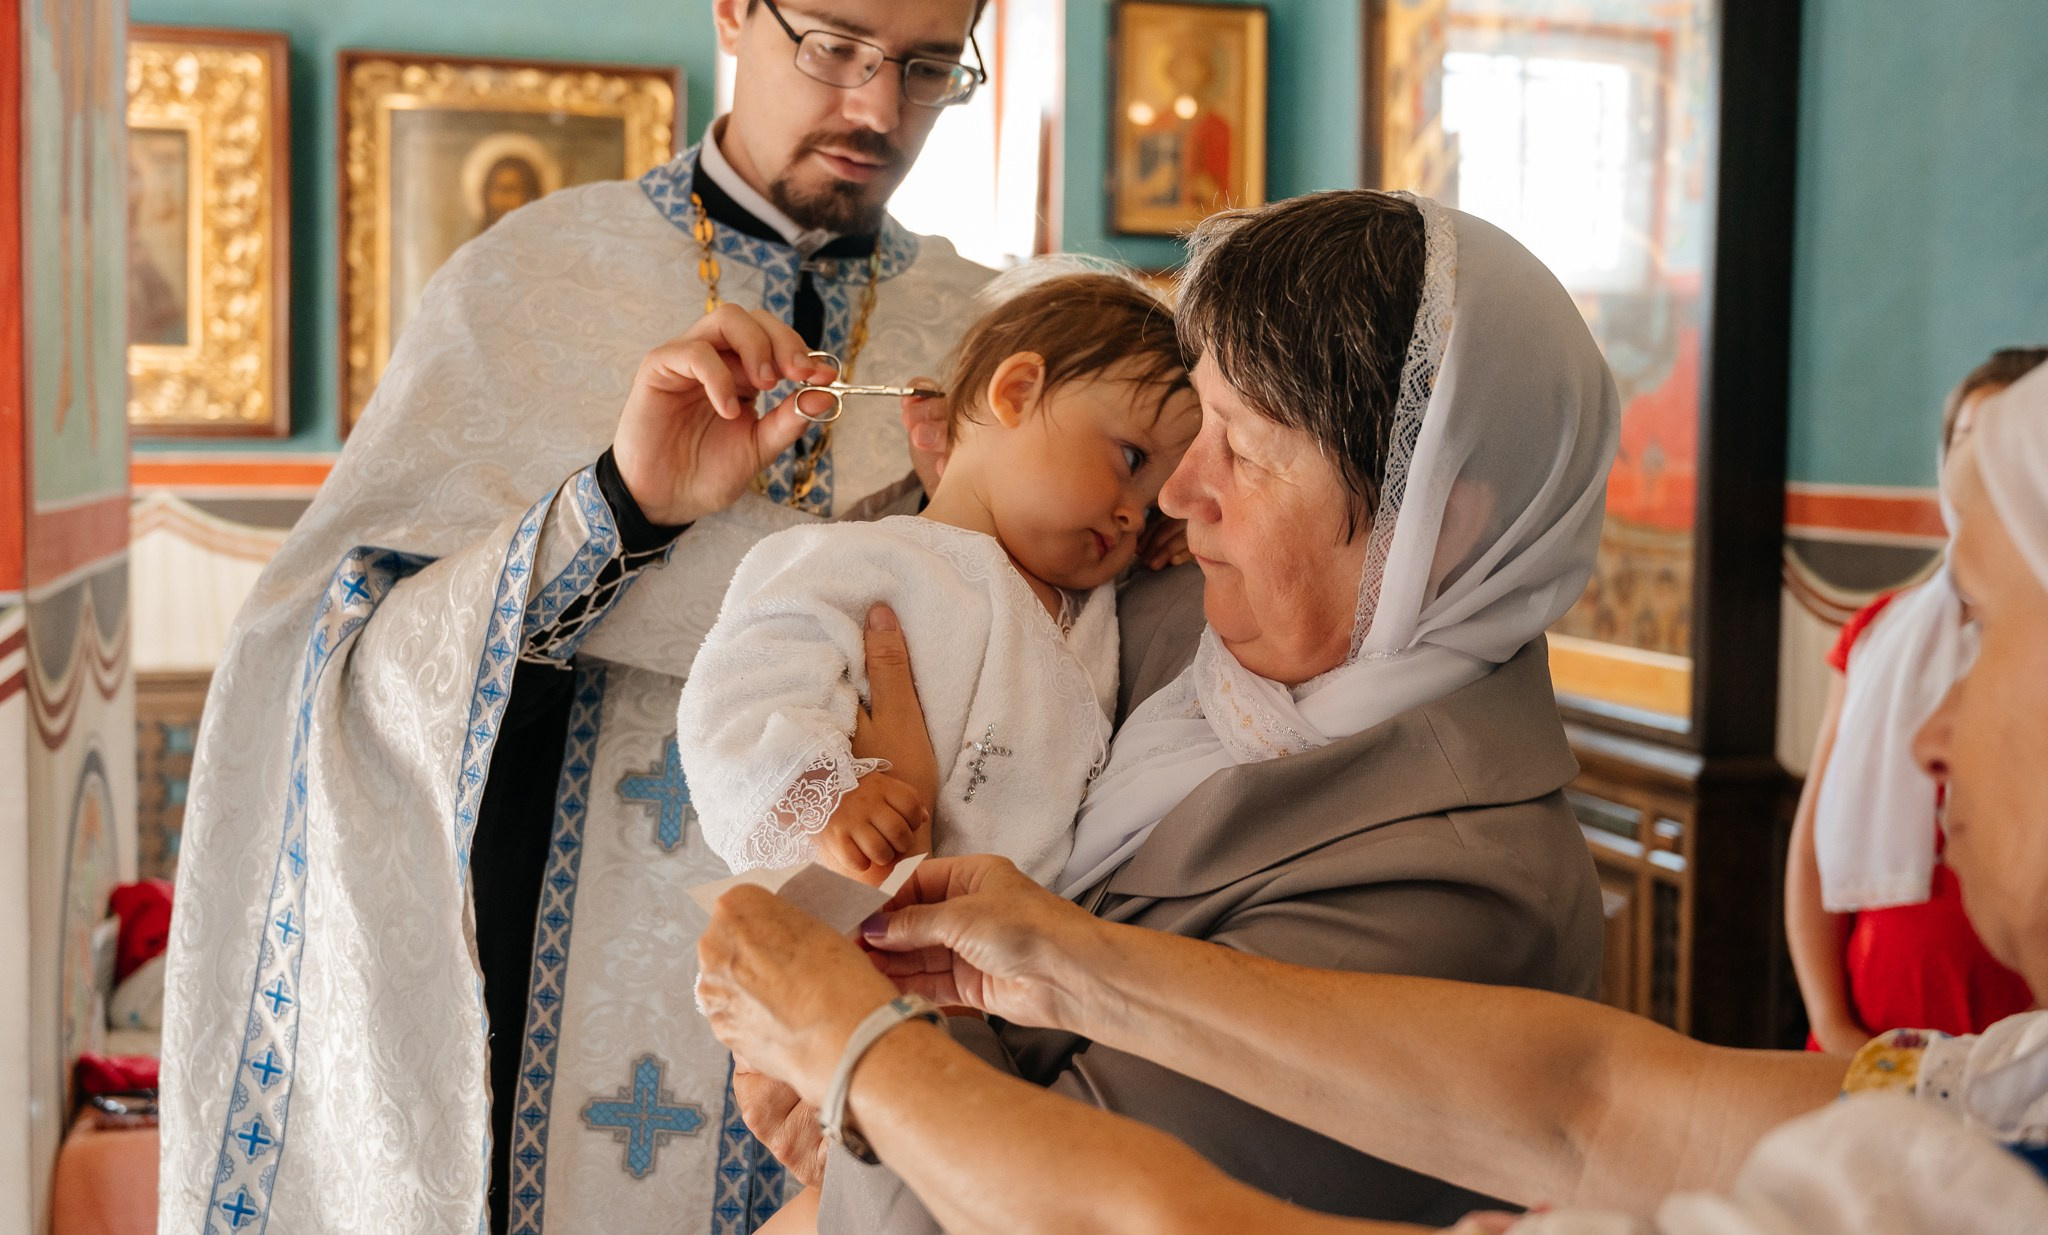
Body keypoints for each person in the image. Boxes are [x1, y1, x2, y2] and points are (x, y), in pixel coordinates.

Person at [695, 355, 2048, 1234]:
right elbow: (1594, 1100)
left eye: (1976, 623)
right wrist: (1063, 957)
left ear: (1421, 514)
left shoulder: (1456, 856)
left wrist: (856, 1044)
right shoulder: (2006, 1088)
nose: (1920, 728)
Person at [158, 0, 1011, 1233]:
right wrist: (619, 505)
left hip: (870, 998)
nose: (872, 109)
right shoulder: (534, 280)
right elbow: (345, 654)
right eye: (833, 46)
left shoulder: (984, 337)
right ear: (732, 1)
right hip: (541, 996)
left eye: (923, 64)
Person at [724, 187, 1623, 1232]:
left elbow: (1039, 1209)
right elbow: (951, 579)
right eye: (1193, 425)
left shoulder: (1457, 892)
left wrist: (855, 1042)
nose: (1173, 494)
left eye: (1240, 449)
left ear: (1434, 526)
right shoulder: (1187, 620)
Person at [680, 269, 1196, 885]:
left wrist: (1188, 528)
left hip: (1003, 944)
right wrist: (825, 799)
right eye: (1131, 459)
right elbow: (737, 695)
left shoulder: (1097, 613)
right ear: (1019, 391)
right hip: (846, 919)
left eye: (1155, 504)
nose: (1132, 514)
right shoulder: (858, 560)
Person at [1786, 346, 2044, 1054]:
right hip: (1879, 1014)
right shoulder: (1880, 634)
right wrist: (1832, 1023)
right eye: (1965, 444)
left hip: (2008, 1020)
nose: (1932, 743)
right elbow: (1810, 847)